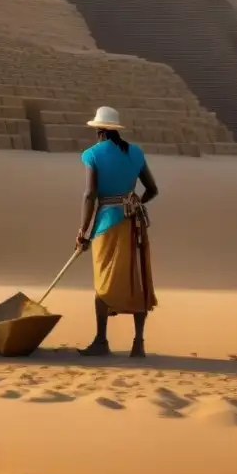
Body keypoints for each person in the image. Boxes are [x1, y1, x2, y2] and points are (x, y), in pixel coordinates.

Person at [74, 107, 158, 358]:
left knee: (103, 281)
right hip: (134, 223)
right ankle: (138, 343)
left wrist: (83, 231)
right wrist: (135, 202)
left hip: (106, 223)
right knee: (137, 278)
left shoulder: (92, 154)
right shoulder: (136, 152)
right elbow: (152, 189)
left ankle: (101, 341)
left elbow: (90, 194)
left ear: (99, 131)